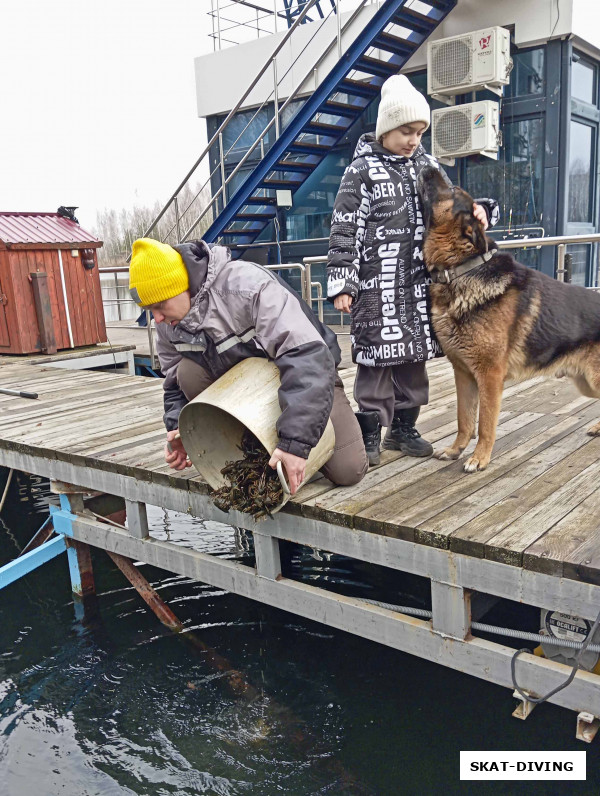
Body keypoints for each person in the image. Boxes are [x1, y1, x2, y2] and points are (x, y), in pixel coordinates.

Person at [327, 74, 499, 466]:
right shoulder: (361, 172)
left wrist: (479, 209)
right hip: (377, 287)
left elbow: (453, 206)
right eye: (406, 131)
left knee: (412, 361)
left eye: (420, 132)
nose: (414, 140)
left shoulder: (428, 166)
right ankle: (369, 433)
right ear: (386, 128)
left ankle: (403, 429)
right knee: (375, 362)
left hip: (420, 284)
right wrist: (344, 282)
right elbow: (344, 227)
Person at [128, 238, 368, 495]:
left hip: (306, 373)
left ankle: (355, 426)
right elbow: (173, 381)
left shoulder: (248, 287)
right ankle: (254, 438)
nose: (157, 319)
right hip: (246, 390)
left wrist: (295, 444)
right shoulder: (168, 324)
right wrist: (178, 430)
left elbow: (307, 358)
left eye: (160, 306)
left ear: (181, 287)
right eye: (149, 310)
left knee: (348, 469)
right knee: (187, 372)